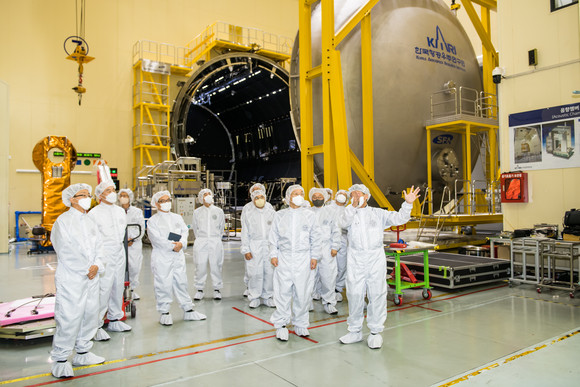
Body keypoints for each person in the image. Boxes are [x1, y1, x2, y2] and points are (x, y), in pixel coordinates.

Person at [339, 184, 420, 349]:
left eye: (359, 194)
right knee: (354, 294)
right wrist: (352, 206)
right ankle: (354, 331)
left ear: (367, 196)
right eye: (353, 195)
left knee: (376, 293)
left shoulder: (378, 213)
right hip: (355, 257)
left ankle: (375, 332)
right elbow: (342, 222)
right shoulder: (348, 213)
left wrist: (408, 204)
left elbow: (399, 219)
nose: (356, 197)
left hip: (375, 257)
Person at [50, 183, 105, 378]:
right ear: (72, 199)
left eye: (88, 195)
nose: (87, 198)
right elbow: (65, 250)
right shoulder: (63, 222)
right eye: (82, 195)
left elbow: (100, 246)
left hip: (92, 275)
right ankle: (60, 360)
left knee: (90, 313)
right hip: (72, 277)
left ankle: (83, 352)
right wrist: (86, 269)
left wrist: (97, 265)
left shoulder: (90, 221)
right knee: (69, 316)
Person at [269, 185, 321, 341]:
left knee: (303, 292)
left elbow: (316, 237)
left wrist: (314, 257)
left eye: (301, 194)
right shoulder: (280, 215)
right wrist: (273, 254)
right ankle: (281, 324)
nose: (299, 196)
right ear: (288, 196)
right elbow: (273, 237)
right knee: (282, 291)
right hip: (284, 258)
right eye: (295, 194)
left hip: (303, 258)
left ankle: (301, 323)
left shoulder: (309, 215)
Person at [147, 191, 206, 325]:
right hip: (162, 256)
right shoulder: (153, 221)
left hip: (177, 255)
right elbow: (156, 239)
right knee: (163, 283)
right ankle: (164, 312)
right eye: (163, 201)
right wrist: (172, 246)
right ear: (156, 204)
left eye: (168, 200)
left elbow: (184, 231)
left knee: (181, 282)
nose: (167, 202)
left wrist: (182, 243)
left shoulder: (176, 218)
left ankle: (188, 310)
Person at [88, 180, 131, 340]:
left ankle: (114, 319)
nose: (113, 193)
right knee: (103, 289)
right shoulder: (94, 214)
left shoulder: (120, 212)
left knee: (117, 286)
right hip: (103, 253)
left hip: (119, 252)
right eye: (108, 190)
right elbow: (92, 239)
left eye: (113, 189)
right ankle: (96, 325)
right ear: (100, 194)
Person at [241, 188, 276, 308]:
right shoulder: (249, 214)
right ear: (252, 199)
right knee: (255, 272)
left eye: (262, 197)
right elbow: (245, 233)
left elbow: (276, 232)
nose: (260, 200)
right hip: (254, 245)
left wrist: (276, 249)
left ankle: (267, 296)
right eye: (257, 198)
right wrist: (246, 249)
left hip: (269, 245)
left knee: (269, 272)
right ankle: (255, 296)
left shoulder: (271, 212)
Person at [309, 188, 341, 314]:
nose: (317, 198)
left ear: (324, 197)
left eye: (320, 196)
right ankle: (308, 301)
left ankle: (329, 302)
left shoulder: (330, 212)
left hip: (326, 248)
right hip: (311, 249)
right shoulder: (307, 213)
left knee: (328, 276)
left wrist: (335, 247)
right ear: (311, 198)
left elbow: (336, 230)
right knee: (310, 277)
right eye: (315, 196)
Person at [192, 188, 225, 300]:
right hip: (201, 240)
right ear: (201, 198)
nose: (207, 196)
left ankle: (217, 289)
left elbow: (221, 228)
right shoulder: (197, 212)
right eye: (205, 195)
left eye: (209, 194)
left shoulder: (218, 211)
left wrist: (215, 238)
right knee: (200, 265)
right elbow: (195, 228)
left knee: (216, 265)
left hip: (215, 241)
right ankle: (199, 289)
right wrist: (202, 239)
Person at [118, 188, 145, 300]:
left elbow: (141, 227)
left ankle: (132, 290)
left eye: (126, 195)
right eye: (121, 195)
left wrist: (131, 239)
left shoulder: (137, 212)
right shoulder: (116, 211)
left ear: (130, 198)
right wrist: (121, 239)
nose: (123, 197)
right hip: (119, 244)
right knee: (120, 267)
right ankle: (120, 291)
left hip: (133, 244)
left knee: (134, 267)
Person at [325, 189, 349, 301]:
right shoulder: (328, 209)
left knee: (341, 266)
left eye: (344, 195)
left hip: (343, 241)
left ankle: (337, 289)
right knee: (327, 266)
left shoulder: (348, 211)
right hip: (327, 241)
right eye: (340, 194)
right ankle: (325, 289)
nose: (342, 196)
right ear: (336, 196)